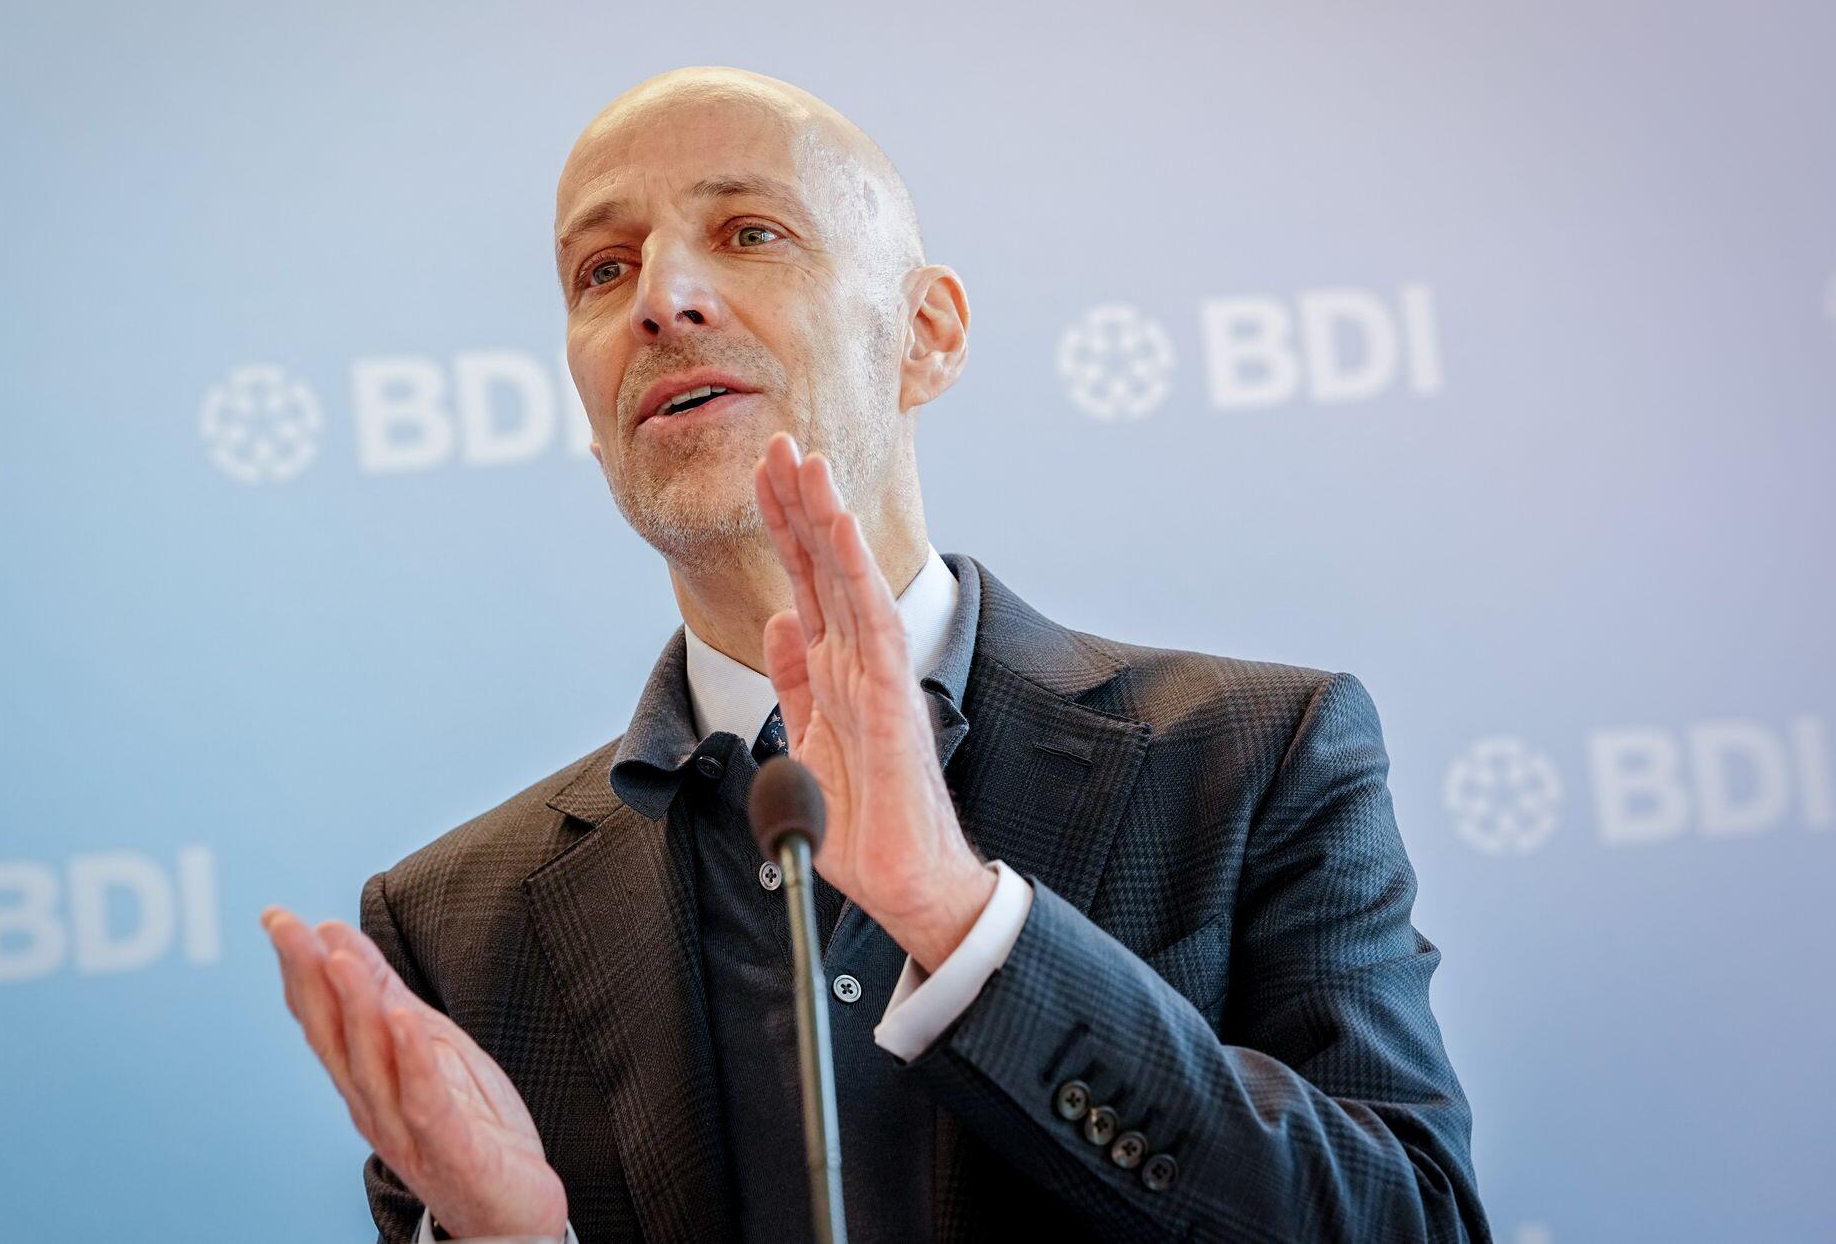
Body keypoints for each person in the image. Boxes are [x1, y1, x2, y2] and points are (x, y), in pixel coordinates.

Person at [262, 67, 1491, 1244]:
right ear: (591, 416)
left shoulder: (1251, 759)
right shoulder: (449, 926)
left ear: (926, 334)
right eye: (602, 269)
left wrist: (959, 918)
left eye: (748, 234)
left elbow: (1410, 1224)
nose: (660, 300)